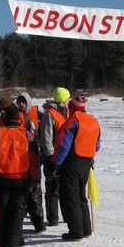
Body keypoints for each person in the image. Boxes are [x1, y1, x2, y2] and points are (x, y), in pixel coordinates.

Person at [0, 104, 41, 247]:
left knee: (2, 209)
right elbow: (34, 159)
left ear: (5, 118)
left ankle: (1, 240)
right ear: (18, 118)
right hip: (22, 179)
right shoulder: (28, 135)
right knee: (18, 210)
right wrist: (35, 178)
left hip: (1, 178)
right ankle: (15, 241)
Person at [52, 95, 101, 241]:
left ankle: (76, 232)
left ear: (71, 108)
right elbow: (97, 145)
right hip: (87, 163)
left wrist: (56, 164)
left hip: (72, 162)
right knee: (81, 196)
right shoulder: (94, 121)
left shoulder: (73, 121)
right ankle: (86, 229)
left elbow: (63, 146)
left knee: (71, 198)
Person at [16, 92, 46, 233]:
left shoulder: (37, 116)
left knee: (35, 188)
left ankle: (39, 217)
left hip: (34, 155)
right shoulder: (16, 116)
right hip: (20, 158)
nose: (21, 104)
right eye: (19, 102)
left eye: (23, 102)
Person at [40, 87, 70, 226]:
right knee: (52, 187)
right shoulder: (49, 114)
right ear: (63, 100)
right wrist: (50, 156)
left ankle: (66, 215)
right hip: (52, 157)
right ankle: (53, 217)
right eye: (68, 99)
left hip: (65, 156)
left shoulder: (67, 113)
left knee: (66, 188)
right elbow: (46, 138)